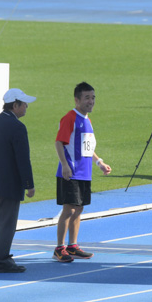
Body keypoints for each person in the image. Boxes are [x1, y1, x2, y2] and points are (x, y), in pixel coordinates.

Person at [54, 82, 111, 263]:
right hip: (71, 172)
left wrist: (99, 162)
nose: (91, 101)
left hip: (84, 172)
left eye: (93, 98)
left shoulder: (87, 120)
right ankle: (59, 248)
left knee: (78, 209)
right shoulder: (70, 118)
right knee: (68, 209)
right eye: (87, 98)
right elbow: (59, 142)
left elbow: (87, 147)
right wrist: (64, 165)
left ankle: (73, 245)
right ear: (77, 99)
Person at [0, 88, 36, 273]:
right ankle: (1, 259)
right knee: (7, 223)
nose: (27, 107)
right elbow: (22, 159)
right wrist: (29, 184)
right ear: (15, 105)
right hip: (10, 183)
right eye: (24, 104)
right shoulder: (18, 127)